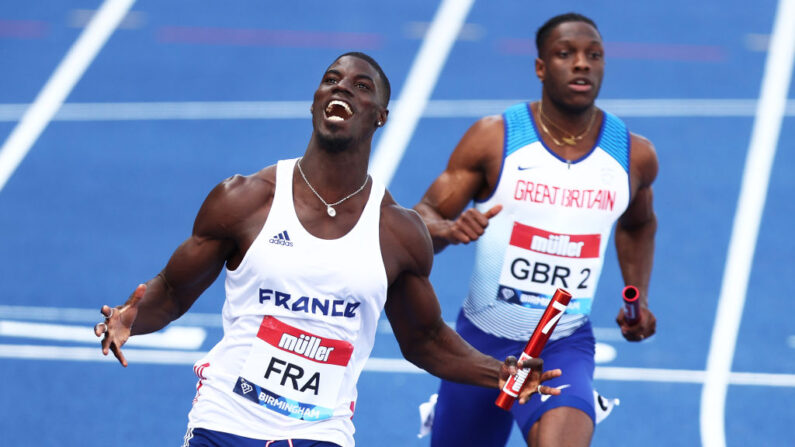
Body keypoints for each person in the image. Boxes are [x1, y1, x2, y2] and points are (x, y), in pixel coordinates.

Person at [93, 52, 561, 447]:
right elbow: (173, 291)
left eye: (361, 86)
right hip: (224, 423)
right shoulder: (245, 200)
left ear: (380, 114)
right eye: (331, 80)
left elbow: (425, 340)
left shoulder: (397, 234)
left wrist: (496, 371)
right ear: (317, 100)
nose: (342, 89)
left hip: (320, 432)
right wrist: (132, 318)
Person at [414, 13, 658, 447]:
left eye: (593, 55)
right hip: (480, 344)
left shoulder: (632, 156)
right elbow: (419, 223)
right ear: (541, 68)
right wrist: (450, 229)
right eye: (566, 54)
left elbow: (638, 224)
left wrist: (637, 294)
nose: (582, 64)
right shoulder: (495, 138)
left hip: (563, 343)